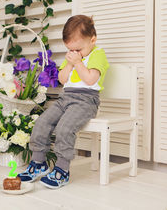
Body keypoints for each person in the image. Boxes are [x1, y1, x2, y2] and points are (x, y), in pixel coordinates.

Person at [18, 15, 109, 189]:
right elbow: (61, 79)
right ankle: (39, 163)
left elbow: (90, 80)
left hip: (86, 101)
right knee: (42, 122)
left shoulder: (98, 54)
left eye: (78, 49)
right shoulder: (73, 58)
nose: (74, 53)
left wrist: (78, 63)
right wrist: (69, 64)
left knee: (64, 128)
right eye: (70, 50)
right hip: (65, 98)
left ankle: (62, 169)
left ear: (93, 39)